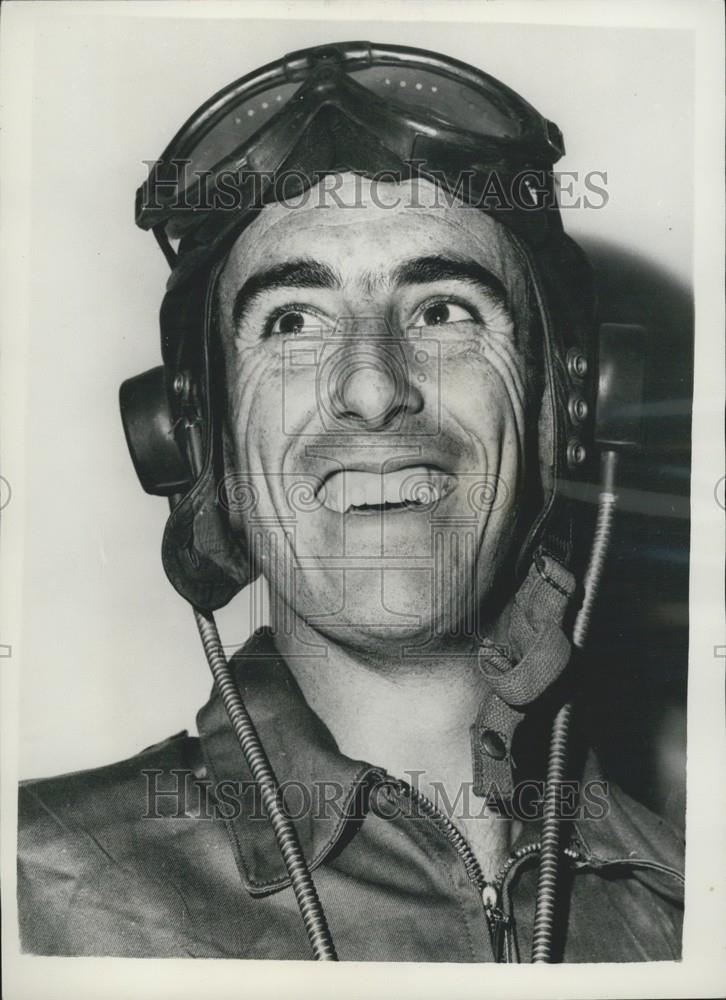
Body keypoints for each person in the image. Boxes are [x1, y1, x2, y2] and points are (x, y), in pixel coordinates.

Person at [17, 41, 684, 962]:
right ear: (194, 439)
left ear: (564, 411)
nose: (371, 388)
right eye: (292, 322)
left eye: (444, 310)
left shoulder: (688, 902)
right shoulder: (41, 888)